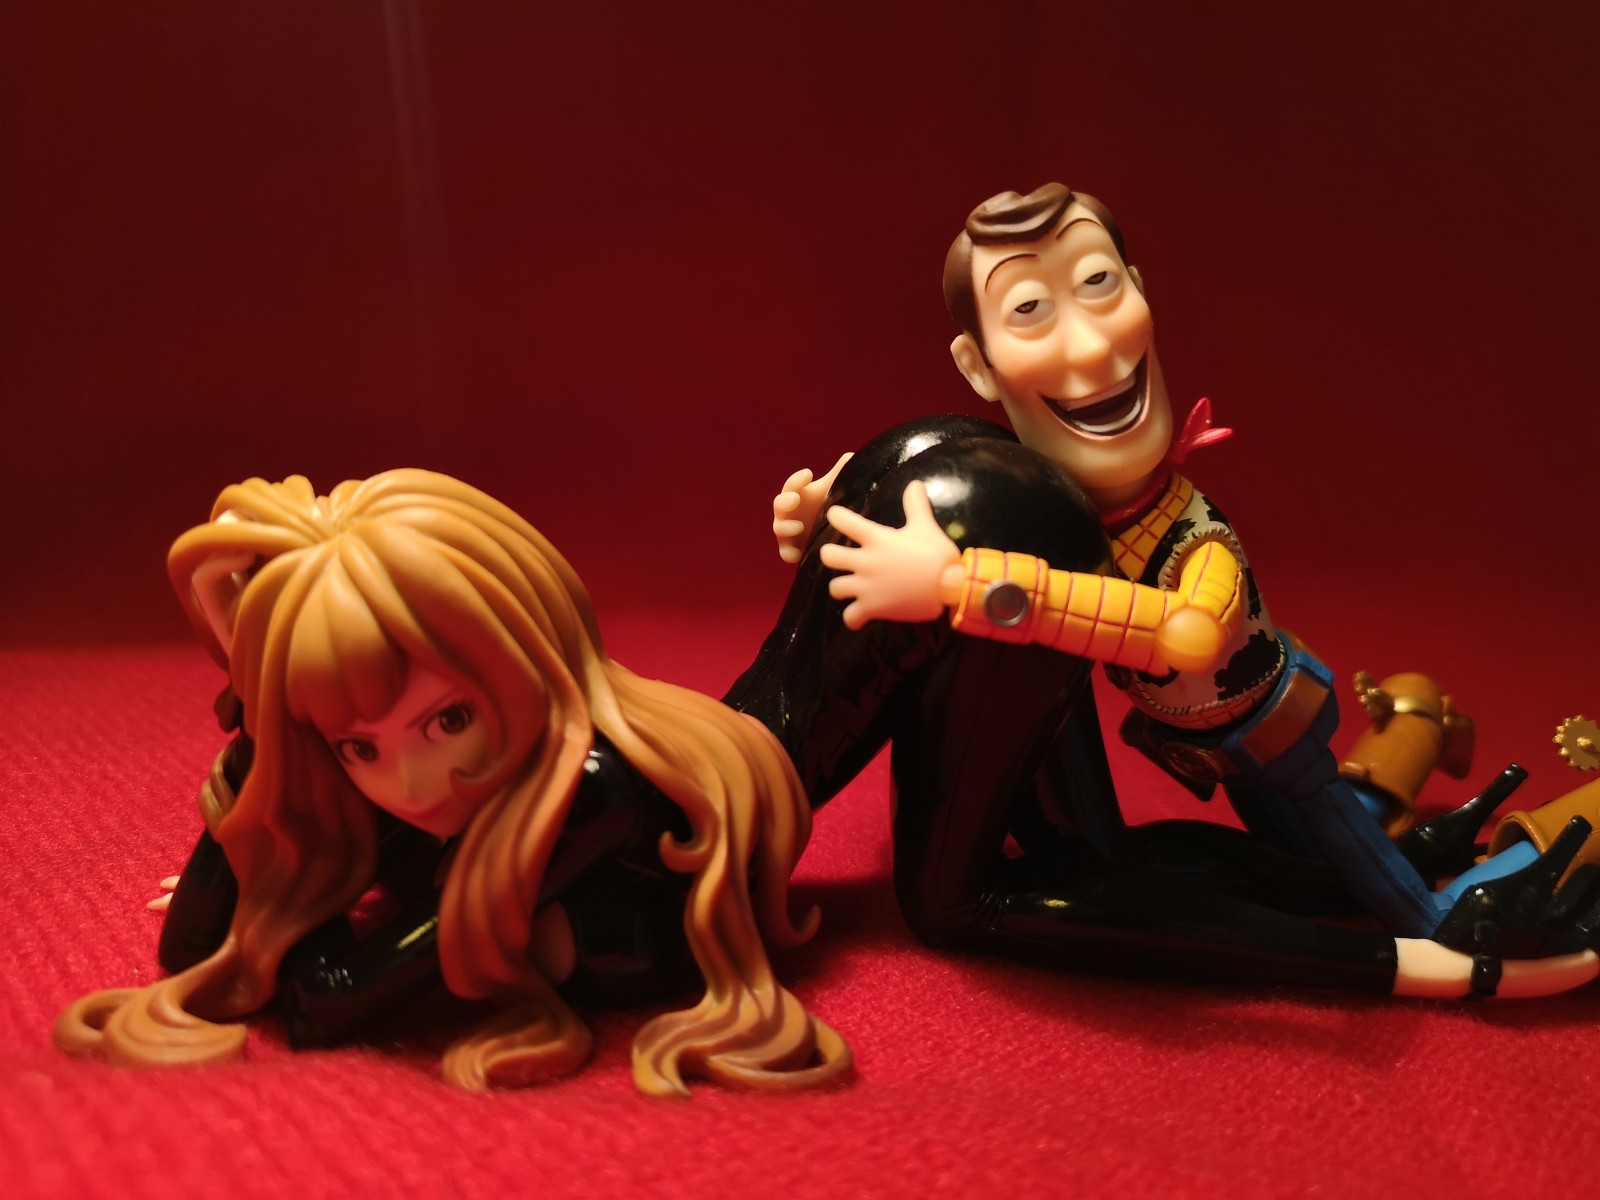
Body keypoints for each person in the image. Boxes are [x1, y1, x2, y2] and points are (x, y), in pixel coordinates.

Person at [752, 183, 1600, 991]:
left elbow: (1183, 635)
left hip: (1273, 735)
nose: (1093, 347)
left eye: (1099, 285)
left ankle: (1461, 883)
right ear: (976, 365)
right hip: (1201, 743)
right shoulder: (1063, 495)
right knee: (1306, 857)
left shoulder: (1200, 540)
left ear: (1141, 291)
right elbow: (987, 502)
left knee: (1371, 870)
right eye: (1031, 308)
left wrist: (955, 582)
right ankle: (1416, 728)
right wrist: (834, 514)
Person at [53, 469, 849, 1097]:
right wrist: (267, 720)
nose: (408, 781)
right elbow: (190, 946)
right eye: (355, 745)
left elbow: (325, 1001)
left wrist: (283, 890)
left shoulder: (589, 788)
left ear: (525, 656)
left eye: (450, 718)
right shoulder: (422, 789)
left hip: (615, 940)